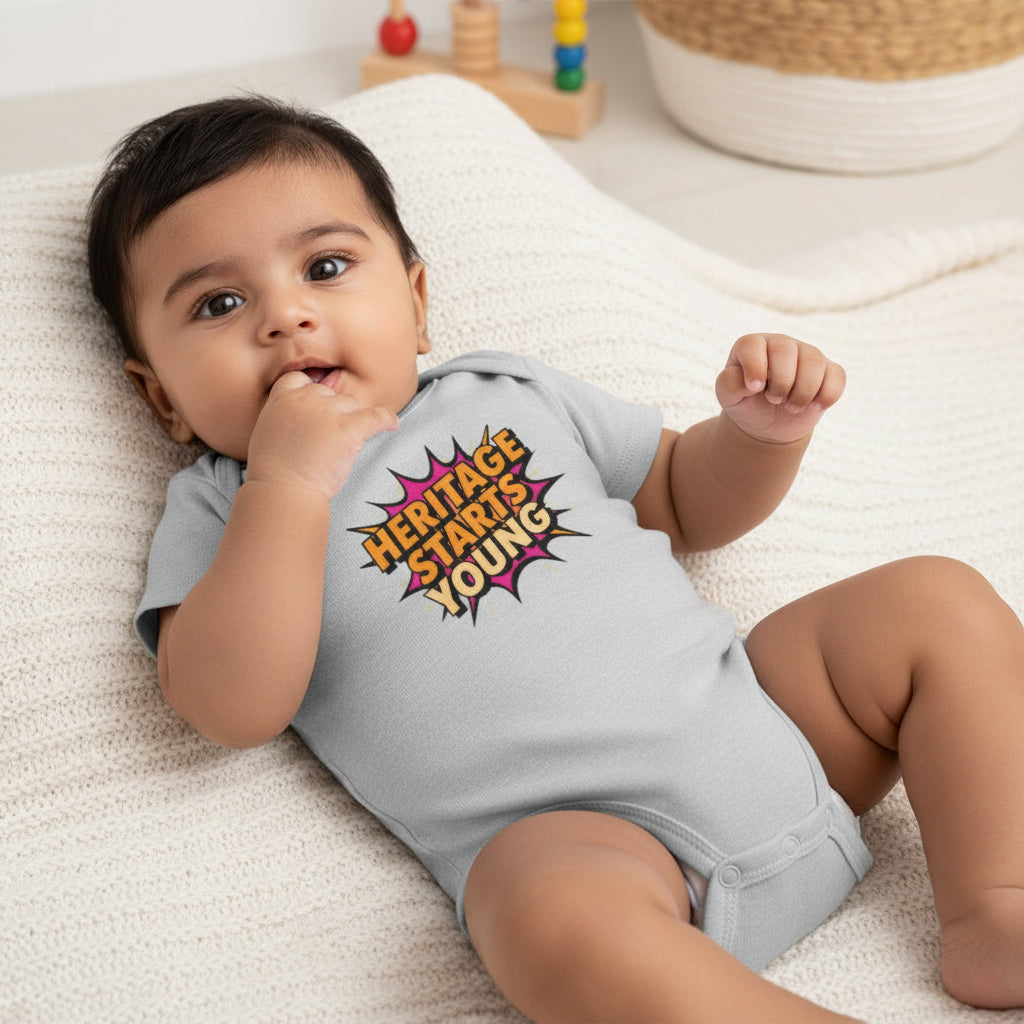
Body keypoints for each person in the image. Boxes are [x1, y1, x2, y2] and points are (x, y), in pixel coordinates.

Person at [87, 95, 1024, 1023]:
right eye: (219, 302)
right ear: (161, 397)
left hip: (777, 731)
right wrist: (284, 490)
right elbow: (229, 704)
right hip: (602, 853)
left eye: (326, 267)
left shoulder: (504, 391)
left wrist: (756, 437)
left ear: (416, 303)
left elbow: (681, 498)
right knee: (537, 914)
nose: (286, 319)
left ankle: (996, 908)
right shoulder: (221, 509)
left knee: (933, 601)